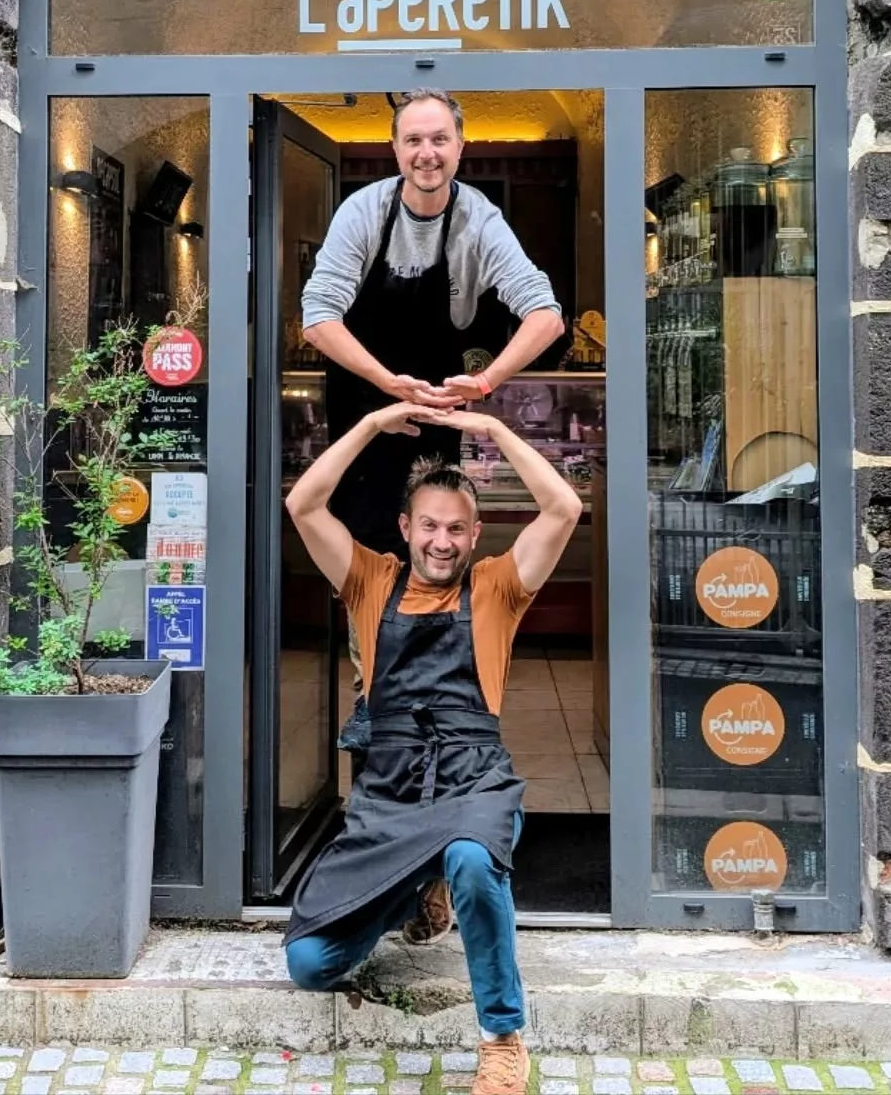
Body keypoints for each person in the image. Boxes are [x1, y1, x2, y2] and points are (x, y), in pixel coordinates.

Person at [301, 88, 564, 938]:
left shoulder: (479, 218)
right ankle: (387, 857)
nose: (427, 153)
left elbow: (545, 314)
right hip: (367, 431)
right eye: (413, 139)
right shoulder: (362, 214)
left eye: (440, 139)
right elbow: (317, 317)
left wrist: (485, 383)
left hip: (437, 447)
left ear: (459, 145)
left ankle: (444, 855)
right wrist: (386, 388)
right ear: (394, 148)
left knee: (446, 659)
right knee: (374, 666)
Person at [282, 401, 583, 1095]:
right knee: (311, 964)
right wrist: (370, 424)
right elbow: (304, 503)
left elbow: (563, 508)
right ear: (405, 529)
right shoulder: (369, 581)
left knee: (472, 858)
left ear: (475, 534)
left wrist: (494, 429)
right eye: (429, 526)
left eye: (455, 528)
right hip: (389, 792)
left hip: (474, 781)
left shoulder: (499, 588)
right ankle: (419, 886)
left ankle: (502, 1037)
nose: (441, 542)